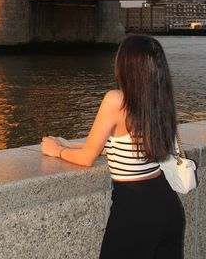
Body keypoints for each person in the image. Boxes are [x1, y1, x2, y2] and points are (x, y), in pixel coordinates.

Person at [41, 34, 185, 258]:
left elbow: (87, 159)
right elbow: (124, 141)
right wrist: (71, 143)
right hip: (167, 204)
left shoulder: (116, 100)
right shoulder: (159, 100)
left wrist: (56, 150)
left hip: (134, 207)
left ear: (125, 65)